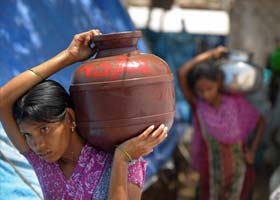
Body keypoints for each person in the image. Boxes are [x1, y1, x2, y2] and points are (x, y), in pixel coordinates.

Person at [0, 30, 168, 200]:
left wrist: (121, 160)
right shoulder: (42, 162)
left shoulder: (122, 158)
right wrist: (68, 56)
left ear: (70, 118)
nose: (37, 145)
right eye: (27, 135)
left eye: (44, 129)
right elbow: (2, 100)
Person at [177, 46, 265, 200]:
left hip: (239, 173)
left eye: (209, 88)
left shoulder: (235, 103)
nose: (205, 94)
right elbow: (182, 72)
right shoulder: (198, 106)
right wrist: (210, 54)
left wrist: (252, 151)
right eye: (200, 91)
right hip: (211, 175)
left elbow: (261, 121)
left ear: (218, 82)